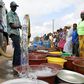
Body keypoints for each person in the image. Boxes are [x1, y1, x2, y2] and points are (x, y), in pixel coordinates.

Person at [7, 1, 22, 67]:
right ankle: (17, 65)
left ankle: (14, 64)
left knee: (17, 49)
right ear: (11, 7)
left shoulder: (16, 15)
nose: (15, 8)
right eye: (14, 6)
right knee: (18, 49)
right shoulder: (10, 14)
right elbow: (12, 25)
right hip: (12, 33)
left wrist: (22, 27)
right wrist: (19, 26)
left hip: (17, 33)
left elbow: (19, 24)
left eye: (16, 6)